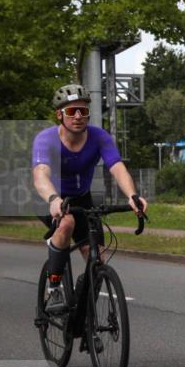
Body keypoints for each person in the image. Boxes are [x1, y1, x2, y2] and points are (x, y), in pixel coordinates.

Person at [31, 84, 148, 336]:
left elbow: (116, 167)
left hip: (82, 198)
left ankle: (84, 313)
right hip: (50, 196)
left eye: (83, 112)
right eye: (72, 111)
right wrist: (53, 199)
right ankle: (54, 284)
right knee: (67, 223)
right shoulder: (46, 139)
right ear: (59, 114)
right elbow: (41, 174)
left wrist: (132, 195)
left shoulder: (99, 137)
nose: (78, 116)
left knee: (96, 257)